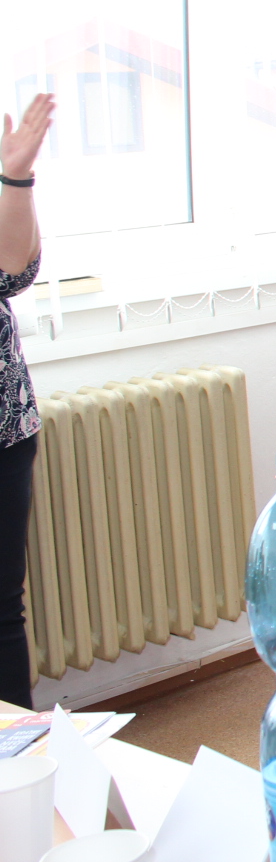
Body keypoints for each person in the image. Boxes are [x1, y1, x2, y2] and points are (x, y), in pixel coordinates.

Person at [0, 94, 53, 707]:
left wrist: (15, 177)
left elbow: (11, 273)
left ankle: (18, 752)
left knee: (0, 609)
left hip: (3, 425)